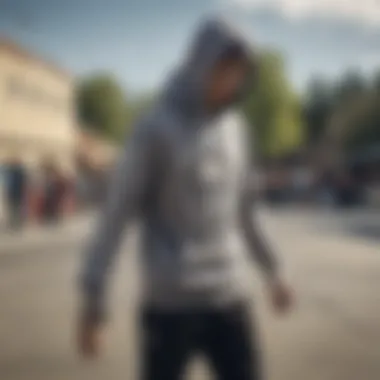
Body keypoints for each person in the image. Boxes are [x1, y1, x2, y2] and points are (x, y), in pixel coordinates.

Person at [78, 17, 294, 380]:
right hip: (170, 305)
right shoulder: (155, 129)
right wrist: (94, 301)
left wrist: (275, 271)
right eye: (224, 70)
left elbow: (247, 212)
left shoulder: (237, 130)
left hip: (229, 296)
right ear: (200, 64)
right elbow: (116, 214)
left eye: (240, 73)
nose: (232, 82)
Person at [5, 158, 27, 229]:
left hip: (16, 193)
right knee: (13, 209)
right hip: (13, 193)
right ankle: (13, 223)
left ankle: (16, 223)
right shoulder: (12, 172)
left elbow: (22, 184)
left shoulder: (18, 173)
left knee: (16, 209)